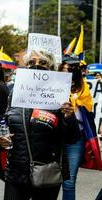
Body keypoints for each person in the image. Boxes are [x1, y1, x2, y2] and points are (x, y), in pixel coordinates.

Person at [0, 50, 80, 200]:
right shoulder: (14, 92)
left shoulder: (59, 96)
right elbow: (5, 122)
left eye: (42, 62)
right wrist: (2, 136)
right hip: (17, 169)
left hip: (46, 171)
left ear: (50, 68)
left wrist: (69, 117)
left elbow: (72, 138)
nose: (36, 66)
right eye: (31, 62)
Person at [59, 57, 93, 200]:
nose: (66, 74)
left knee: (68, 182)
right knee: (46, 181)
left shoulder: (83, 90)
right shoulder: (51, 88)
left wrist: (72, 110)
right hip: (53, 139)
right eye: (63, 70)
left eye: (70, 71)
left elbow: (87, 115)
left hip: (75, 140)